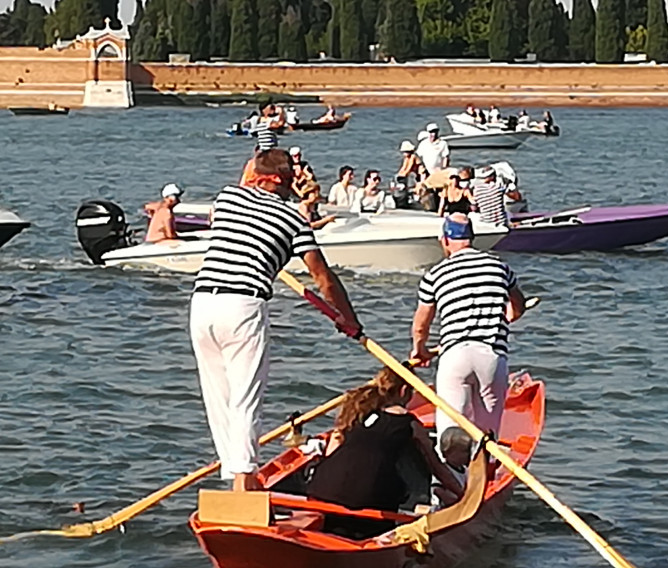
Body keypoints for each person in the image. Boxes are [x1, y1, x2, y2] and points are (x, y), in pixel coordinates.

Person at [191, 148, 362, 492]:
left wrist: (259, 168)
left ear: (257, 176)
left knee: (220, 398)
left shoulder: (228, 198)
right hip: (243, 306)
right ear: (287, 181)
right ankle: (243, 482)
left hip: (201, 306)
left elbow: (246, 175)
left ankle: (237, 476)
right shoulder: (294, 221)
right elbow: (323, 278)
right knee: (245, 398)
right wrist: (350, 321)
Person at [410, 213, 526, 443]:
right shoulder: (500, 267)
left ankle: (451, 475)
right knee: (487, 438)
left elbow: (421, 324)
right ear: (471, 238)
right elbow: (518, 306)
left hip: (455, 356)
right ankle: (483, 472)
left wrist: (419, 349)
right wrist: (507, 318)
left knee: (451, 436)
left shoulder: (435, 274)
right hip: (491, 356)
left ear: (444, 240)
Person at [305, 369, 463, 535]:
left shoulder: (357, 412)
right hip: (369, 503)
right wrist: (462, 494)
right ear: (404, 391)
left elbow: (332, 450)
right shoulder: (410, 423)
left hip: (321, 490)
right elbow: (435, 465)